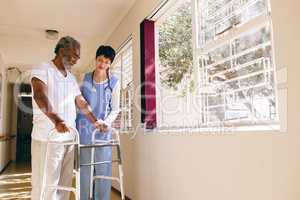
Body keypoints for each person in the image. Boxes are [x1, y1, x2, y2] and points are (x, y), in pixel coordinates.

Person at [31, 36, 106, 200]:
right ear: (61, 50)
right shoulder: (43, 69)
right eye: (74, 55)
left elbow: (81, 102)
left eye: (77, 58)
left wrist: (95, 121)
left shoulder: (71, 78)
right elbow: (39, 95)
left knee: (64, 186)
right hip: (47, 138)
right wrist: (56, 120)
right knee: (45, 185)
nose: (75, 60)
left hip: (69, 139)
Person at [76, 45, 120, 200]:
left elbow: (115, 109)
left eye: (107, 62)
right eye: (100, 60)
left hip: (103, 131)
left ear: (110, 64)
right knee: (85, 169)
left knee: (103, 169)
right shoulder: (84, 78)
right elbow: (78, 103)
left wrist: (106, 123)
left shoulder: (114, 82)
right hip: (84, 129)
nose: (102, 64)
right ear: (95, 59)